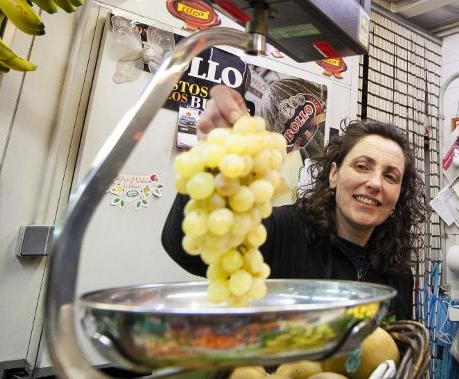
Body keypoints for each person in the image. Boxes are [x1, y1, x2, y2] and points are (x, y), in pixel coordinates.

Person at [162, 86, 423, 319]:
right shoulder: (286, 231)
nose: (376, 183)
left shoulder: (397, 272)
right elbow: (190, 248)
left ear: (399, 193)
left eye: (390, 176)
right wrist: (214, 167)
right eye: (362, 166)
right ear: (334, 175)